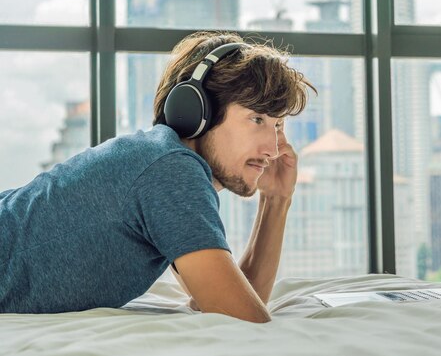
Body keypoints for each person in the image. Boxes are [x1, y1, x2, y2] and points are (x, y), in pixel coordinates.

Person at [0, 31, 317, 323]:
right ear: (196, 111)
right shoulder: (171, 171)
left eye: (278, 125)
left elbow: (231, 299)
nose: (274, 148)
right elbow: (244, 318)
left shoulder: (162, 163)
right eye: (256, 118)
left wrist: (276, 200)